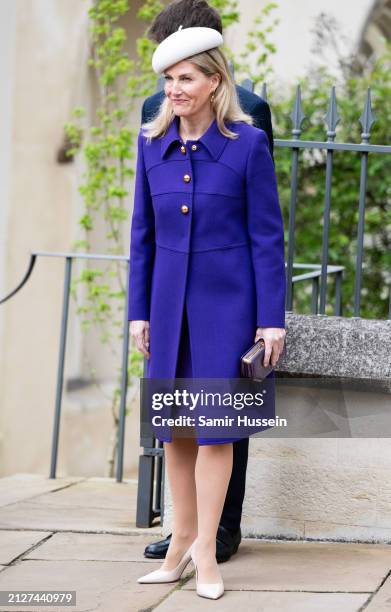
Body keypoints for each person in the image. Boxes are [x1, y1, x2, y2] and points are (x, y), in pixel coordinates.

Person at [128, 21, 286, 604]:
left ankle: (204, 554)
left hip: (228, 308)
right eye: (168, 79)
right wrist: (138, 313)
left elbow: (268, 239)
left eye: (185, 77)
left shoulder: (248, 145)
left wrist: (272, 319)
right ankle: (178, 544)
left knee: (216, 432)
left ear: (214, 80)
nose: (173, 89)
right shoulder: (151, 143)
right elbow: (141, 235)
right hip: (167, 308)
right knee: (174, 431)